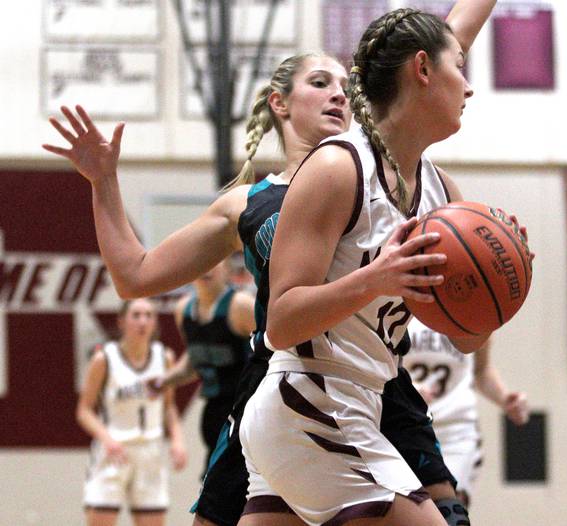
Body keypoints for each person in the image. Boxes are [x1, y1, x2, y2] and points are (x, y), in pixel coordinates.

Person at [43, 4, 496, 524]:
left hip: (373, 382)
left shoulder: (408, 173)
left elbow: (443, 46)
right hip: (299, 383)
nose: (336, 94)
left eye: (343, 86)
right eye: (319, 82)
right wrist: (104, 184)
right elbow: (138, 276)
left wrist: (496, 286)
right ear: (279, 103)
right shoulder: (283, 189)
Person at [238, 6, 531, 525]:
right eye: (458, 67)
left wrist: (504, 282)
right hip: (312, 401)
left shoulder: (440, 195)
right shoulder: (336, 167)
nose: (468, 87)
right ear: (422, 69)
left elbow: (465, 340)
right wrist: (376, 278)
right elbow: (281, 322)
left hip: (350, 404)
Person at [76, 298, 188, 526]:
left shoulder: (164, 357)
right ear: (121, 322)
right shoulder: (104, 359)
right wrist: (107, 439)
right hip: (114, 451)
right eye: (136, 315)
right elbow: (84, 410)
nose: (143, 321)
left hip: (150, 451)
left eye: (148, 315)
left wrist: (177, 440)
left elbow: (169, 407)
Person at [403, 317, 531, 506]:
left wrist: (505, 398)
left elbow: (481, 370)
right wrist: (407, 389)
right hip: (406, 428)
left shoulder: (471, 306)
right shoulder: (401, 306)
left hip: (456, 431)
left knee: (448, 509)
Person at [148, 260, 255, 471]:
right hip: (214, 409)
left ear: (227, 269)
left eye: (214, 261)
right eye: (201, 262)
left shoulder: (241, 306)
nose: (205, 267)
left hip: (247, 409)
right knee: (212, 483)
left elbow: (278, 346)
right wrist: (166, 380)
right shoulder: (184, 311)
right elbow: (195, 360)